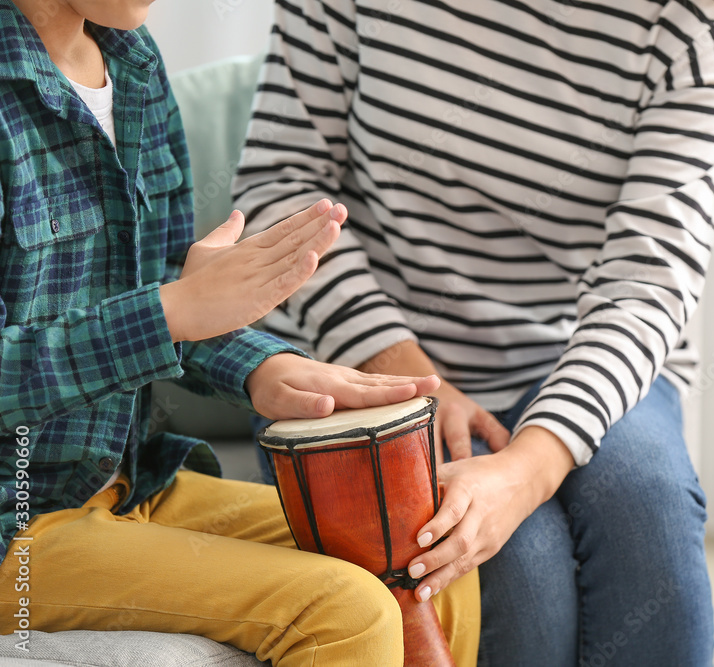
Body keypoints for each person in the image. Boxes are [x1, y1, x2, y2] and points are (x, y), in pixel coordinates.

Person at [234, 0, 714, 664]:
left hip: (579, 350)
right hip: (358, 358)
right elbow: (282, 187)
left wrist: (525, 469)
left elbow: (646, 281)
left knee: (649, 514)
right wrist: (405, 377)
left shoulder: (699, 20)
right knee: (522, 577)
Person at [0, 1, 480, 665]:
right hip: (16, 524)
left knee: (423, 555)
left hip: (133, 481)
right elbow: (166, 309)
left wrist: (268, 367)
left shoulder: (133, 65)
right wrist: (171, 310)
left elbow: (174, 292)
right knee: (345, 608)